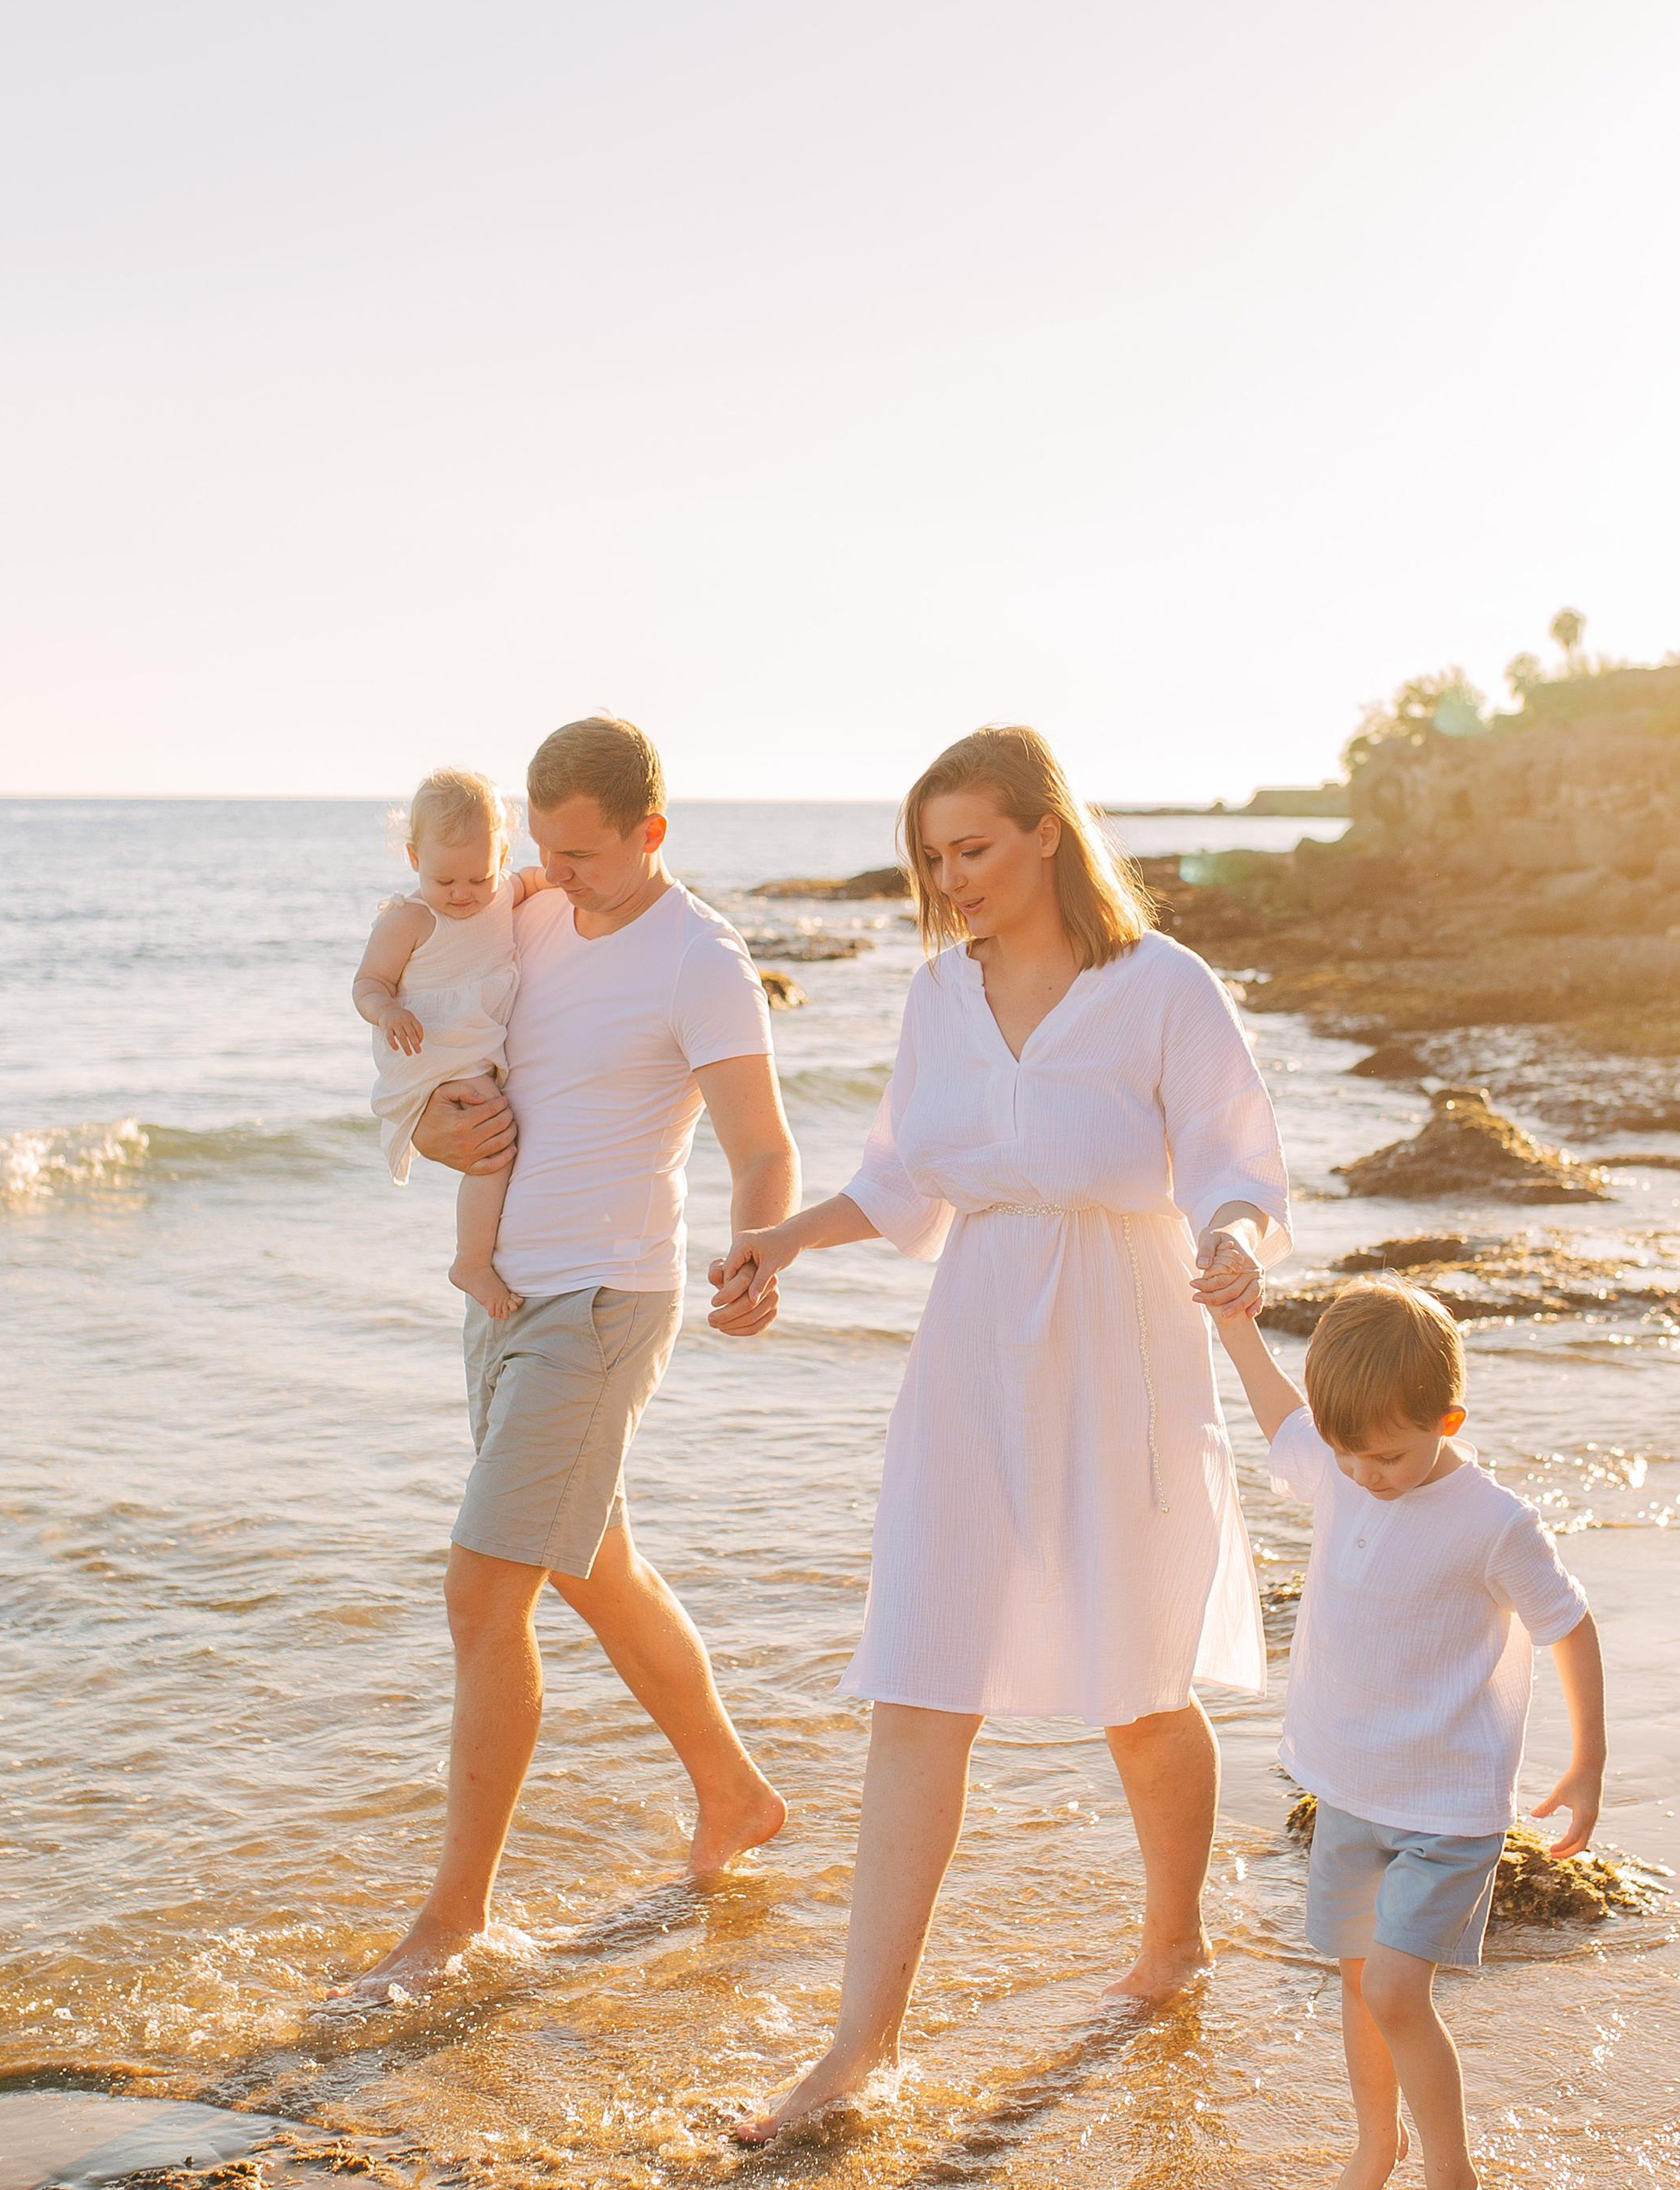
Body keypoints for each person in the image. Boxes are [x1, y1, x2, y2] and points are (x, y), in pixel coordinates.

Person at [719, 725, 1292, 2140]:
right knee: (922, 1677)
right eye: (933, 857)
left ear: (1048, 831)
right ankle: (862, 2048)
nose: (952, 878)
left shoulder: (1161, 987)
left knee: (1141, 1688)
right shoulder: (935, 998)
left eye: (972, 847)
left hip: (1128, 1342)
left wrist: (1229, 1233)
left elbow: (1234, 1155)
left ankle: (1174, 1943)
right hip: (973, 1347)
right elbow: (906, 1177)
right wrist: (785, 1238)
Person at [344, 716, 799, 1998]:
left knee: (484, 1594)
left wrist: (763, 1254)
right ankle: (735, 1793)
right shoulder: (530, 906)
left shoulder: (700, 956)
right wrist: (432, 1129)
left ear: (651, 835)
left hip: (601, 1305)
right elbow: (436, 1033)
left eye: (584, 854)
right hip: (502, 1301)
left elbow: (763, 1145)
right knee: (596, 1562)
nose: (552, 875)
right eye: (542, 850)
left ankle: (451, 1922)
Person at [1212, 1276, 1606, 2190]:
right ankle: (1373, 2147)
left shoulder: (1494, 1523)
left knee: (1394, 1988)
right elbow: (1279, 1415)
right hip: (1348, 1790)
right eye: (1347, 1454)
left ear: (1448, 1421)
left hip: (1447, 1808)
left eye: (1386, 1456)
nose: (1364, 1475)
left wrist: (1587, 1760)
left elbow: (1567, 1624)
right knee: (1357, 1980)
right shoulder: (1344, 1460)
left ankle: (1449, 2172)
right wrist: (1233, 1327)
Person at [352, 767, 550, 1317]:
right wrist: (388, 1011)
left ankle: (475, 1255)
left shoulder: (502, 891)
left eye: (478, 878)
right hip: (429, 1052)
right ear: (416, 860)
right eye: (445, 882)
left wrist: (563, 876)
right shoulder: (409, 921)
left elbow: (534, 881)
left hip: (473, 1048)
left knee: (496, 1141)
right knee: (492, 1147)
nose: (463, 894)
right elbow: (368, 984)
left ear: (502, 855)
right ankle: (470, 1260)